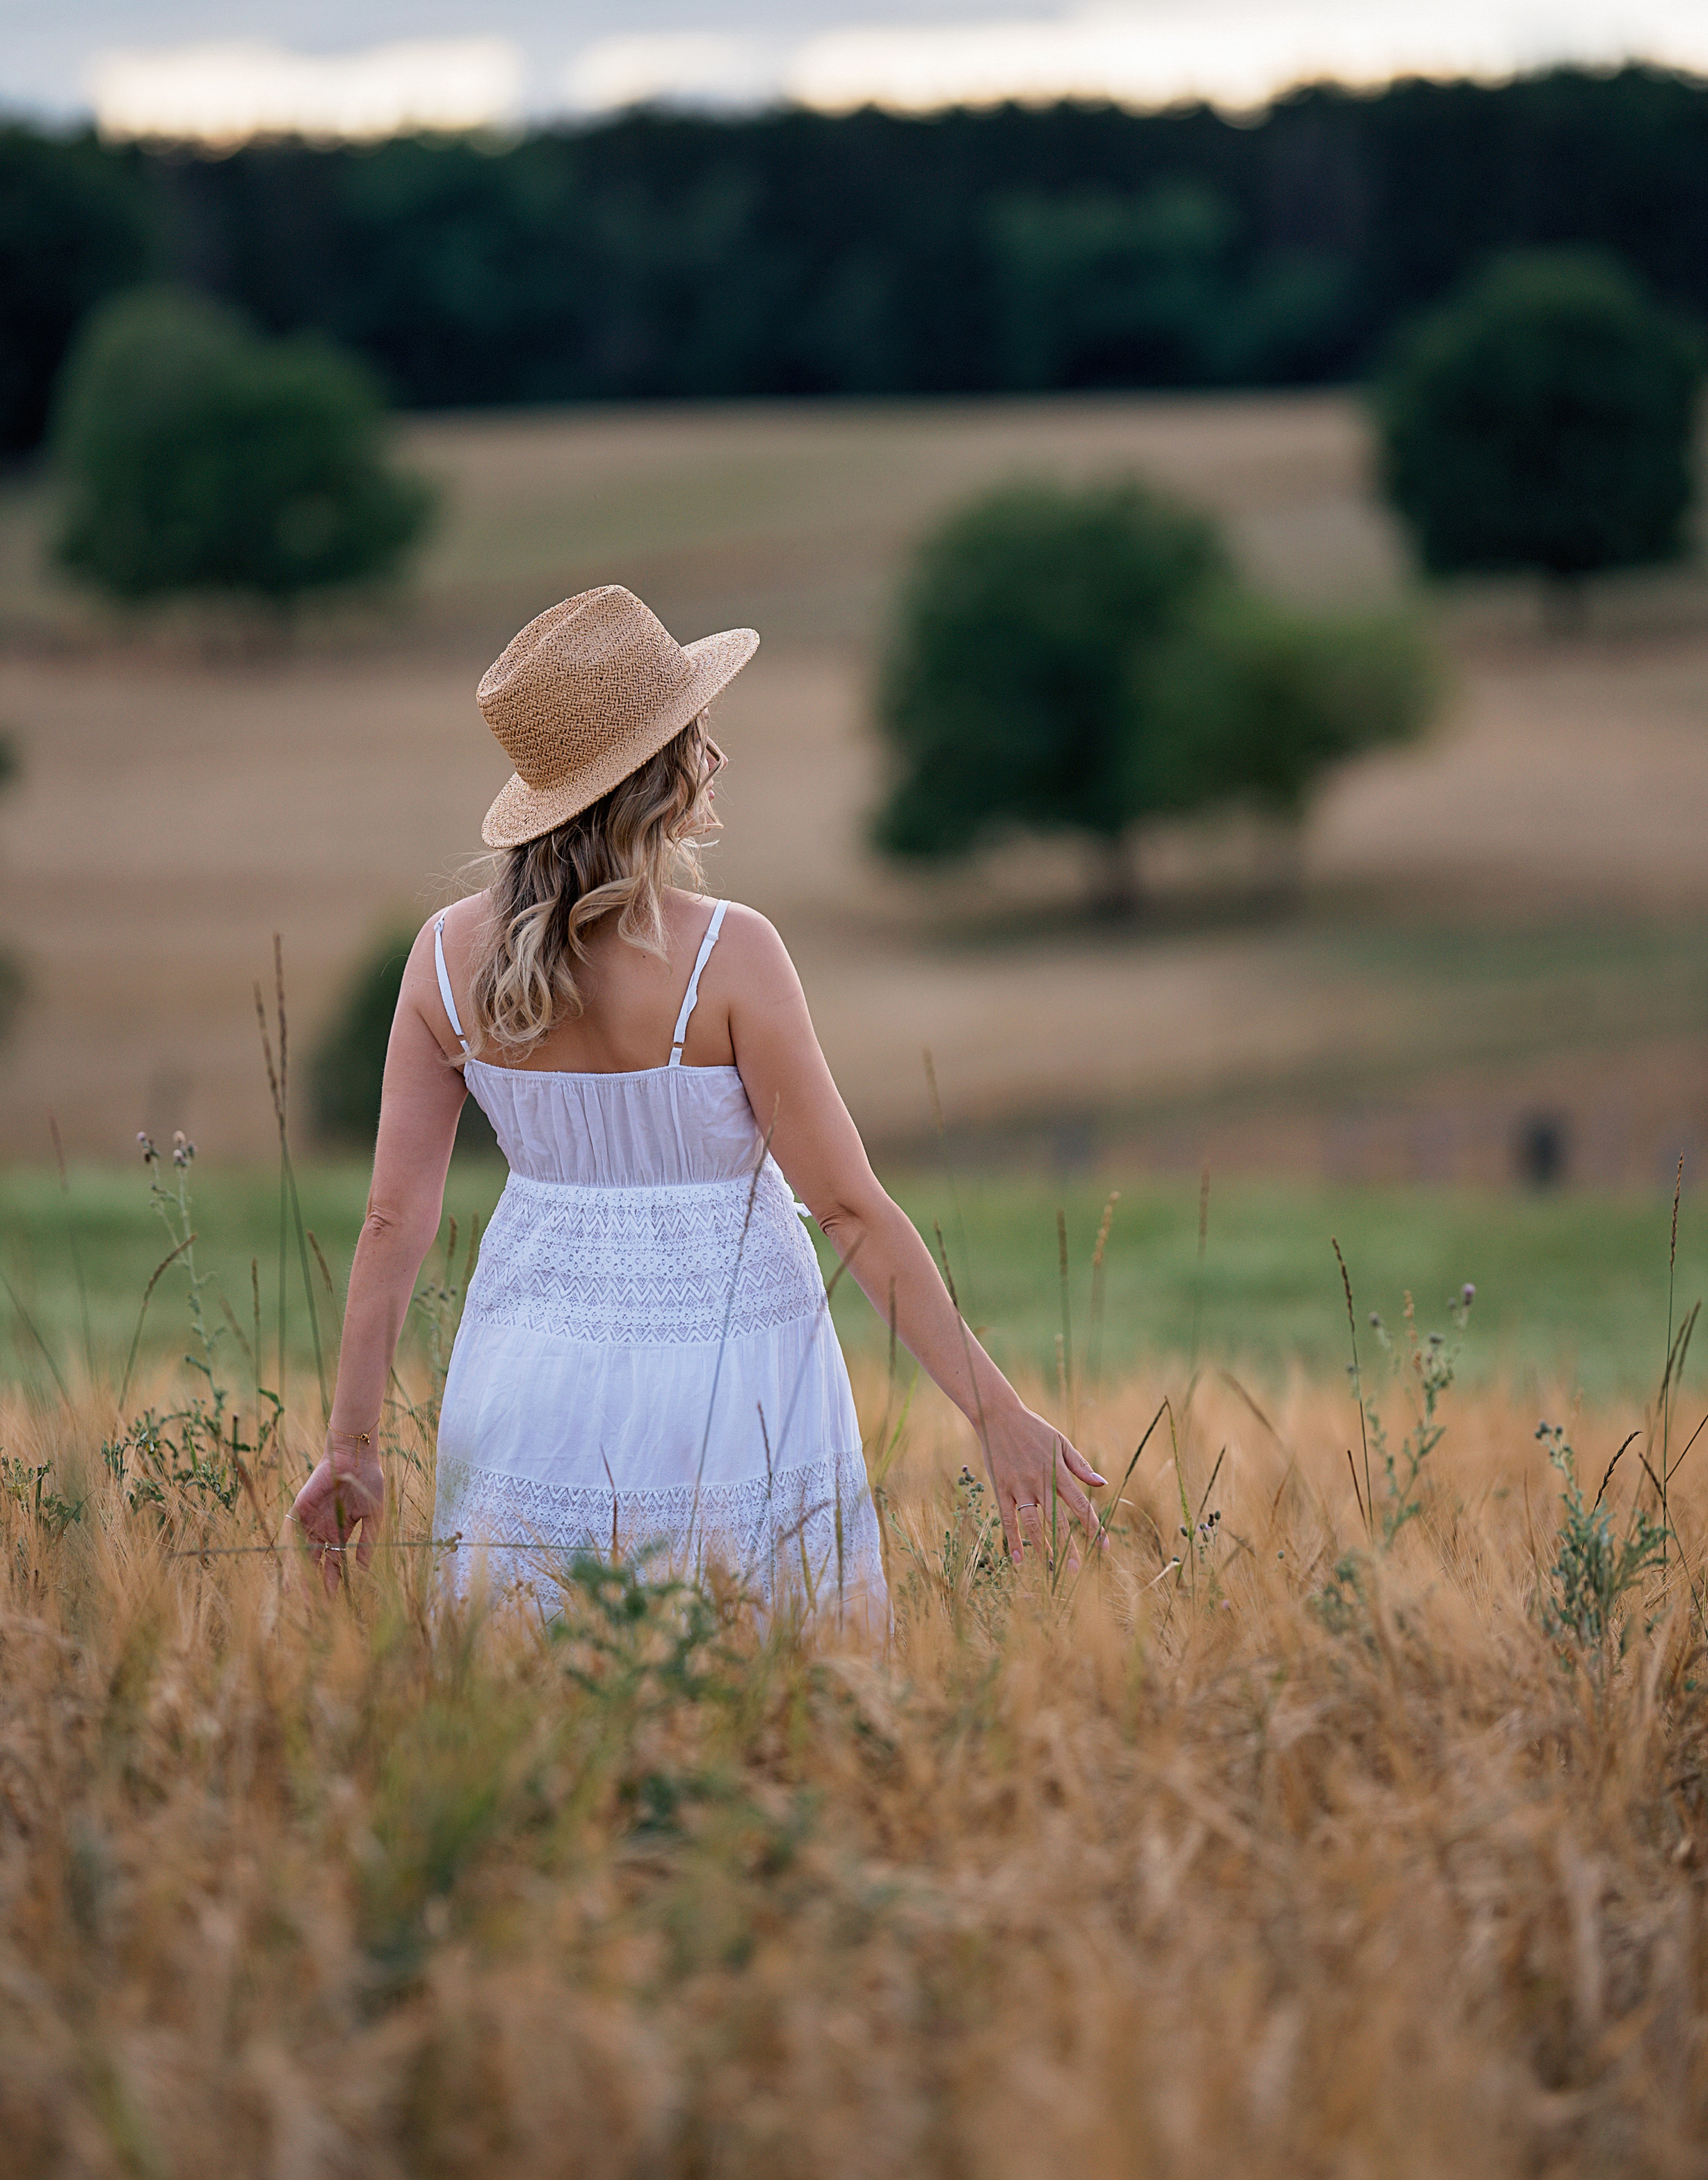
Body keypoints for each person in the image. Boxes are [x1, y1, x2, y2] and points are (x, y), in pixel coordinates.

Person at [292, 586, 1105, 1608]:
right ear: (654, 771)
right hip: (737, 1381)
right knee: (764, 1683)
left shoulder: (444, 960)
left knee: (538, 1702)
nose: (714, 754)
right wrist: (994, 1412)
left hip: (526, 1374)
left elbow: (391, 1218)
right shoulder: (733, 953)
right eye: (695, 732)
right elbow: (849, 1207)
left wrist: (355, 1448)